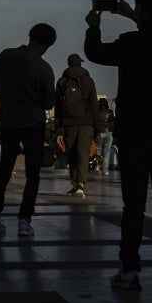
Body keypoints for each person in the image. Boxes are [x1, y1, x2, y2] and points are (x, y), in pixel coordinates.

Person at [84, 0, 152, 291]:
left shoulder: (130, 42)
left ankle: (129, 270)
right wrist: (133, 13)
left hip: (134, 134)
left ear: (141, 8)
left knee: (134, 207)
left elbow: (95, 52)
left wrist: (94, 25)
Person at [0, 23, 56, 237]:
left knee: (4, 170)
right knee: (33, 174)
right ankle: (24, 221)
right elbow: (49, 103)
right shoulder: (44, 68)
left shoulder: (6, 55)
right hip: (33, 122)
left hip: (8, 121)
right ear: (47, 45)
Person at [54, 53, 100, 198]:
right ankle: (80, 183)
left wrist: (59, 130)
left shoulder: (62, 81)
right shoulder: (89, 81)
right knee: (83, 153)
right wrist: (97, 130)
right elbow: (94, 106)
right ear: (80, 64)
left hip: (68, 123)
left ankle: (75, 183)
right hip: (86, 123)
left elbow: (58, 108)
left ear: (68, 64)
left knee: (71, 152)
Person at [96, 98, 115, 175]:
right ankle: (105, 171)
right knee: (107, 152)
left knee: (99, 150)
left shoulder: (97, 112)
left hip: (100, 132)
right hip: (109, 132)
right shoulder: (110, 111)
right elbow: (113, 122)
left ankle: (97, 166)